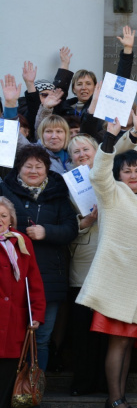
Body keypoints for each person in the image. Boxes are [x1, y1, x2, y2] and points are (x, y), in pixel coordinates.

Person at [77, 117, 137, 408]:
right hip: (117, 281)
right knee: (117, 344)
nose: (133, 174)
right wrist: (110, 140)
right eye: (126, 170)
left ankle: (120, 398)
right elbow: (99, 173)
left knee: (127, 345)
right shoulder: (112, 193)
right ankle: (115, 402)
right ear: (118, 174)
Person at [0, 144, 78, 373]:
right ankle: (8, 395)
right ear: (19, 168)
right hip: (11, 278)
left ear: (47, 169)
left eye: (39, 166)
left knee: (41, 339)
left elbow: (71, 228)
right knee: (9, 337)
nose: (33, 171)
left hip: (48, 277)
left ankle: (32, 396)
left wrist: (47, 232)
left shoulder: (58, 194)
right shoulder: (5, 191)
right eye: (28, 166)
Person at [66, 134, 108, 397]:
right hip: (82, 261)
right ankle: (82, 382)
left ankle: (105, 383)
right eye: (76, 152)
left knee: (104, 329)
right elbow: (63, 223)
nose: (81, 154)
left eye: (86, 149)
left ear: (96, 151)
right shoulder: (67, 184)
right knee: (82, 329)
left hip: (110, 262)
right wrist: (82, 224)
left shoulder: (112, 177)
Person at [0, 197, 45, 408]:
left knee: (9, 377)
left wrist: (36, 313)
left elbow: (34, 281)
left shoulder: (21, 242)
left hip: (14, 324)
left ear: (11, 221)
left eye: (3, 215)